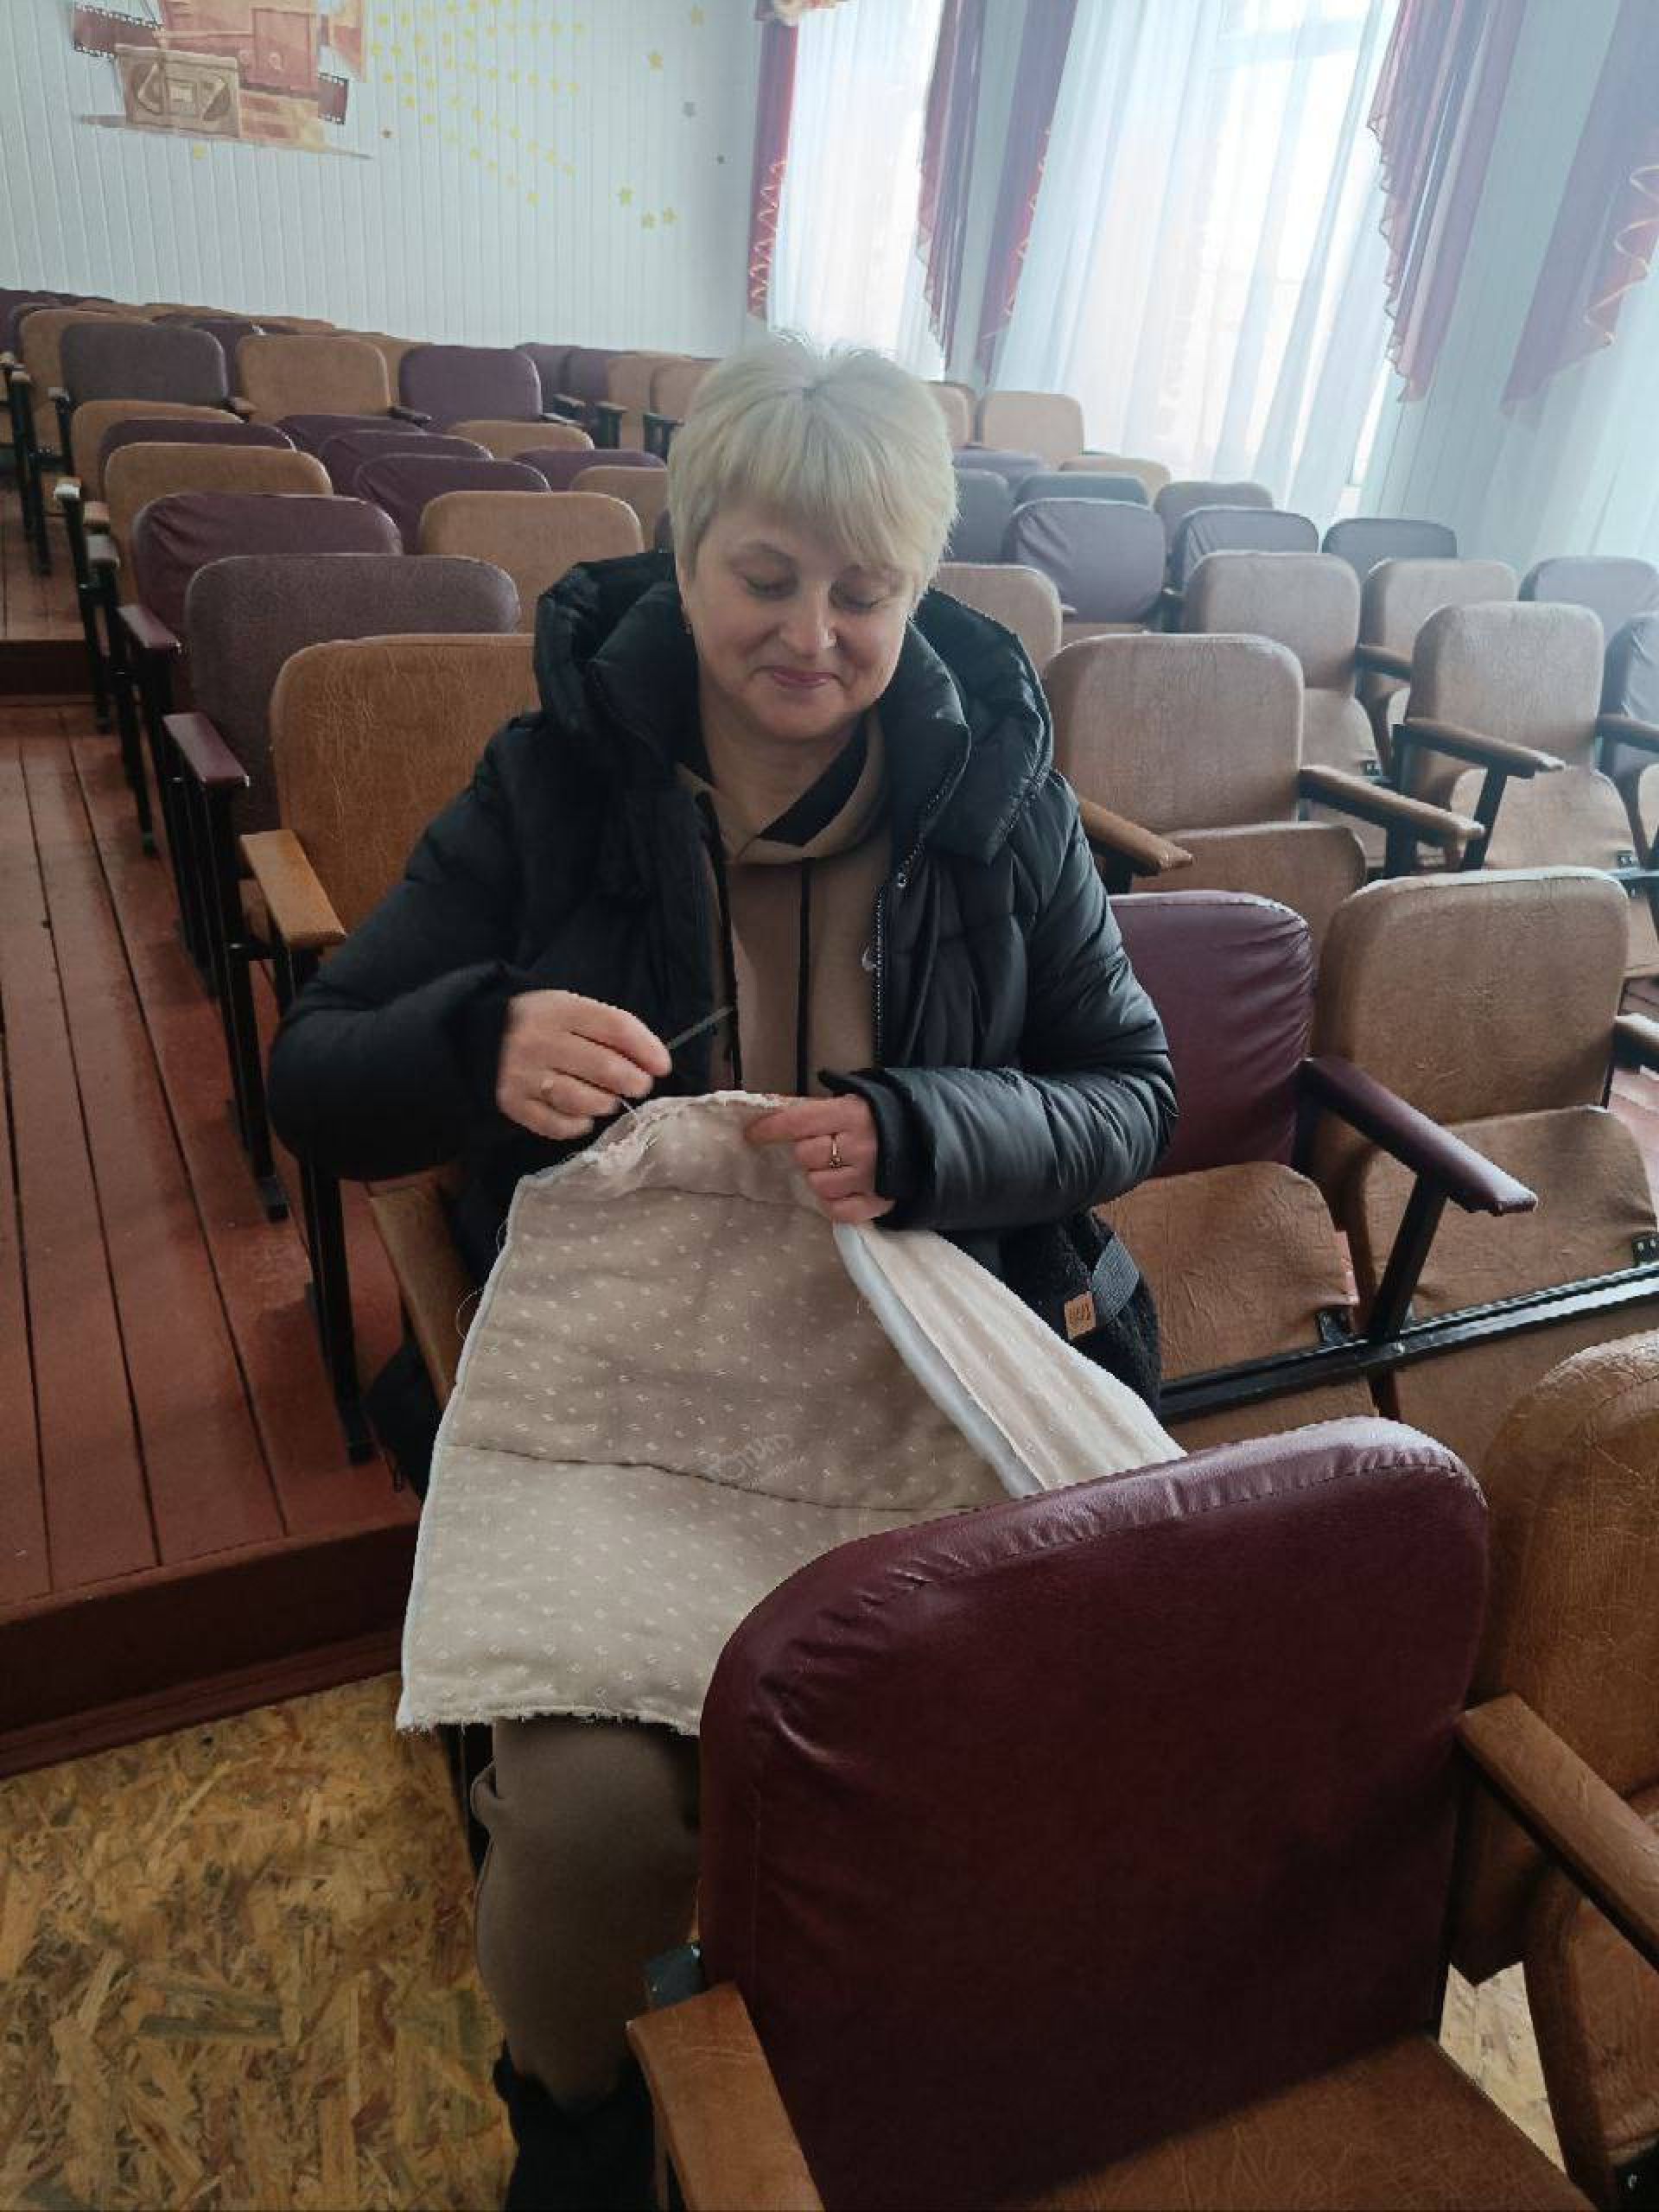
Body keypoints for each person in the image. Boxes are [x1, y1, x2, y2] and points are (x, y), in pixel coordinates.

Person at [268, 335, 1176, 2208]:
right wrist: (480, 1038)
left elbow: (1131, 1090)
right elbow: (317, 1068)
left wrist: (931, 1129)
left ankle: (894, 2070)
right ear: (684, 558)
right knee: (596, 1824)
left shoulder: (998, 782)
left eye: (866, 592)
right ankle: (585, 2129)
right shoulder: (554, 779)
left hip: (912, 1359)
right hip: (639, 1391)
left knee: (1039, 1737)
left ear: (916, 593)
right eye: (766, 577)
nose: (814, 636)